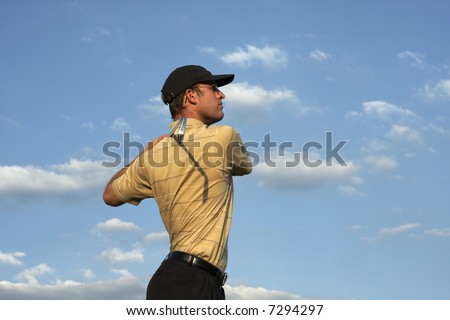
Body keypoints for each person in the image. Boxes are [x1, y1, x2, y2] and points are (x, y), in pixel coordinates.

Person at [103, 65, 252, 300]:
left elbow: (110, 195)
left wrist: (141, 156)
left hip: (171, 279)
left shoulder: (152, 158)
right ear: (191, 96)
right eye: (213, 88)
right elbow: (245, 166)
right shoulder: (224, 137)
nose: (221, 94)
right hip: (195, 282)